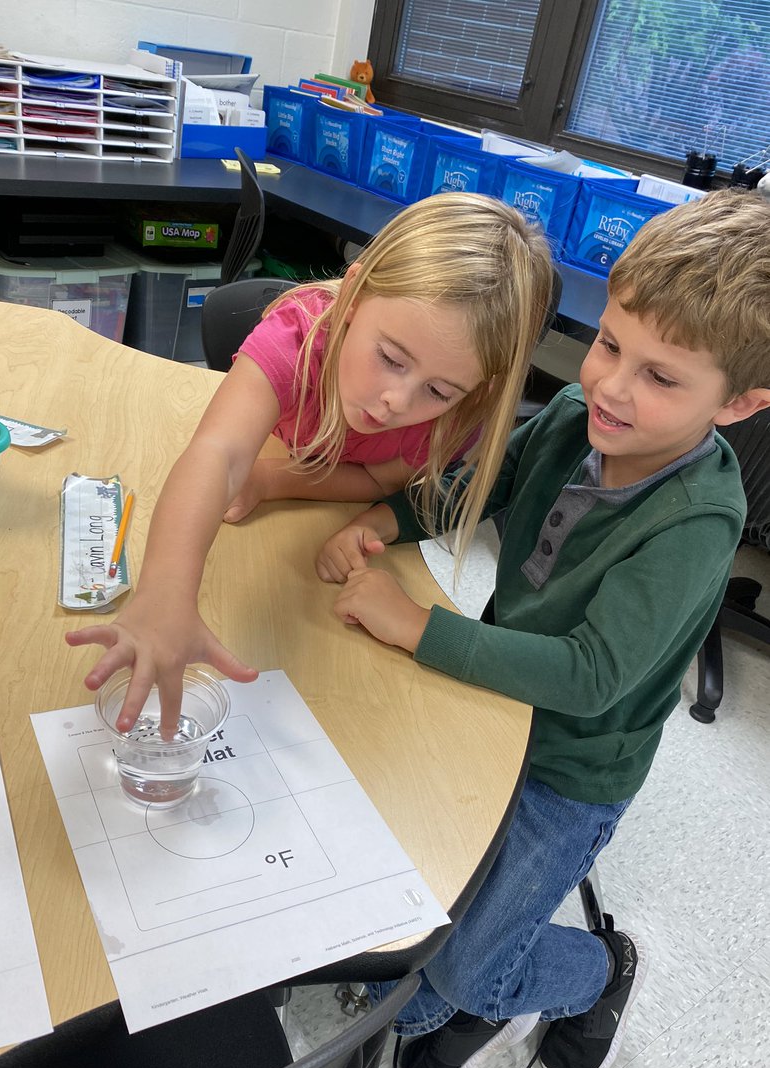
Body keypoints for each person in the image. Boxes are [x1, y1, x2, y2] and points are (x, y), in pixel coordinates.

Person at [317, 189, 770, 1068]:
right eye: (609, 344)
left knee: (465, 973)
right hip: (491, 706)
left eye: (662, 377)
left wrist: (420, 628)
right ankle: (438, 976)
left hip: (571, 767)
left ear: (740, 404)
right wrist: (387, 517)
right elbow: (479, 485)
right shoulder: (573, 415)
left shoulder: (697, 522)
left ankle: (599, 974)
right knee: (423, 863)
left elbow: (591, 677)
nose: (609, 385)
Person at [67, 192, 554, 735]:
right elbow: (219, 452)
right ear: (353, 294)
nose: (398, 401)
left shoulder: (459, 414)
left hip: (305, 497)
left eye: (437, 390)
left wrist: (271, 479)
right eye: (390, 358)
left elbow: (376, 481)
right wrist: (164, 596)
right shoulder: (297, 336)